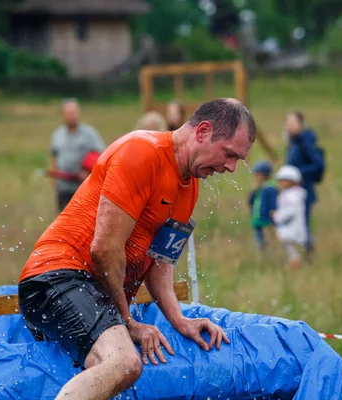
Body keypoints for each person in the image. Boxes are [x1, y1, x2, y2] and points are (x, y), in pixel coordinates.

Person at [18, 98, 257, 400]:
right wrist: (127, 322)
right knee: (124, 363)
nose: (231, 168)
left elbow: (160, 263)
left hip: (90, 289)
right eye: (229, 155)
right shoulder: (141, 151)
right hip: (56, 277)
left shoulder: (190, 187)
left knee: (109, 375)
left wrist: (180, 321)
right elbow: (104, 249)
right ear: (203, 132)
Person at [50, 98, 106, 213]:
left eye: (74, 113)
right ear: (63, 115)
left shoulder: (90, 134)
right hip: (63, 186)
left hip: (83, 187)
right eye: (69, 113)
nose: (72, 116)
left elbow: (101, 155)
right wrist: (55, 179)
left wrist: (88, 172)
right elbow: (54, 156)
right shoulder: (57, 134)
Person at [283, 111, 323, 258]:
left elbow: (318, 164)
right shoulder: (292, 142)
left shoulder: (305, 141)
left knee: (302, 225)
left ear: (301, 124)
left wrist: (297, 174)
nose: (289, 126)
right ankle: (298, 256)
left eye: (293, 122)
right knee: (294, 225)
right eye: (287, 122)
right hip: (291, 192)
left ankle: (309, 256)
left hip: (304, 191)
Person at [272, 165, 307, 269]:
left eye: (285, 180)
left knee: (293, 254)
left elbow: (289, 212)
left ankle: (295, 270)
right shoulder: (287, 194)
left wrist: (277, 216)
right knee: (290, 253)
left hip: (292, 231)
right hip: (287, 231)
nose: (282, 183)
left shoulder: (293, 196)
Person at [248, 160, 278, 249]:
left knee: (268, 242)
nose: (256, 177)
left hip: (266, 221)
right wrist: (253, 191)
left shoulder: (270, 188)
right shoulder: (258, 188)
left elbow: (273, 205)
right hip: (257, 221)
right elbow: (250, 202)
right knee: (259, 242)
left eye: (258, 174)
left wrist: (273, 220)